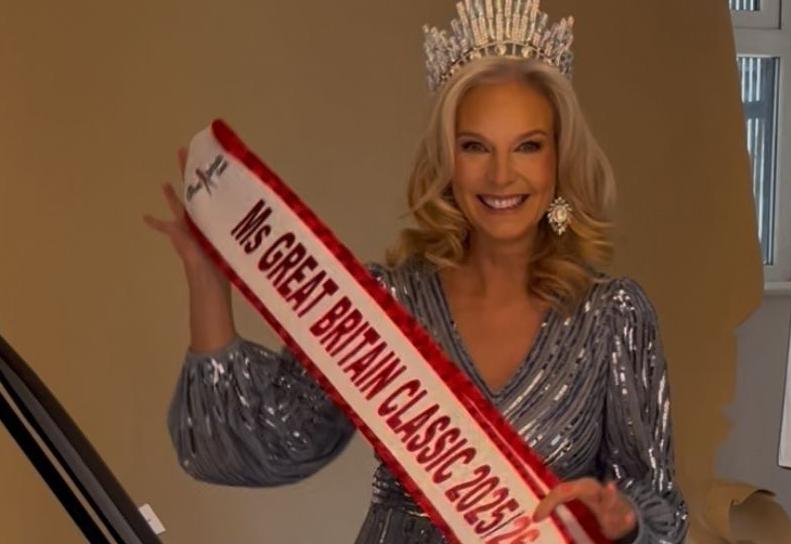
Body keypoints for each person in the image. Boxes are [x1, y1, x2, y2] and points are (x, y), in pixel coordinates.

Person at [144, 2, 688, 542]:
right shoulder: (386, 302)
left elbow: (658, 501)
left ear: (558, 159)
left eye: (527, 146)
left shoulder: (613, 316)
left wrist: (624, 520)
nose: (501, 174)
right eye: (475, 146)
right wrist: (206, 277)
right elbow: (272, 438)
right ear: (447, 160)